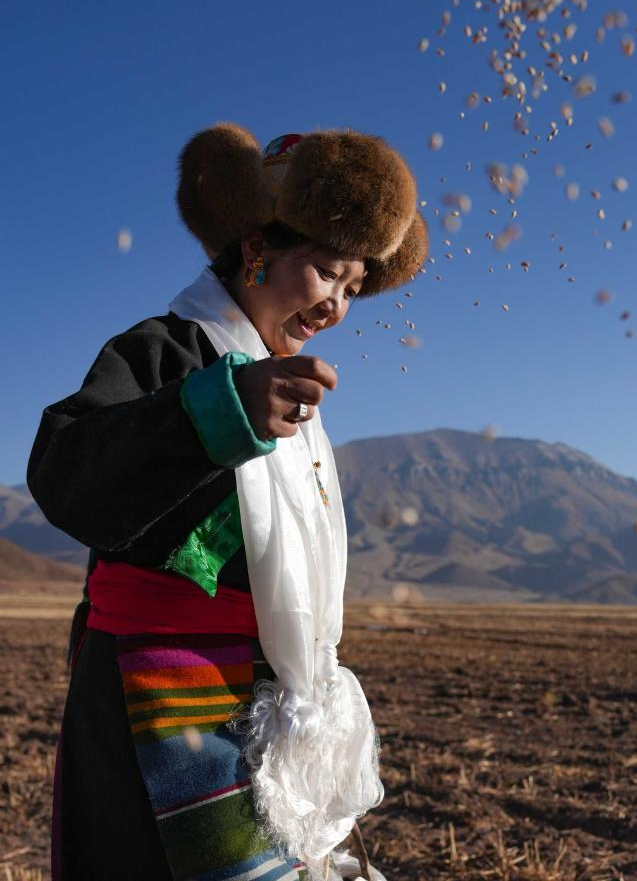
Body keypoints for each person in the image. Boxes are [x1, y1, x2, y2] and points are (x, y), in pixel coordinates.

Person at [27, 125, 428, 881]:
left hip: (254, 689)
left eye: (352, 287)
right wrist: (216, 412)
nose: (339, 304)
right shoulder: (167, 350)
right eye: (327, 273)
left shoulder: (282, 385)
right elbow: (63, 470)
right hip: (156, 686)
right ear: (256, 249)